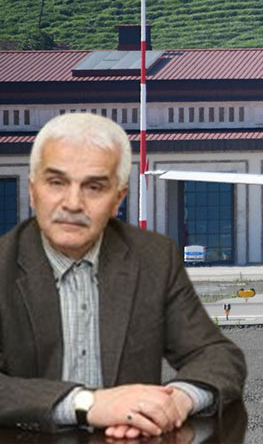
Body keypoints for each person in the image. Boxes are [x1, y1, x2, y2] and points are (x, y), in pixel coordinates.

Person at [0, 113, 246, 438]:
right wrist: (88, 403)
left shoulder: (154, 258)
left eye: (94, 187)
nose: (73, 203)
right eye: (56, 182)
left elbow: (217, 354)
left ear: (118, 198)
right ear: (32, 191)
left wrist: (176, 401)